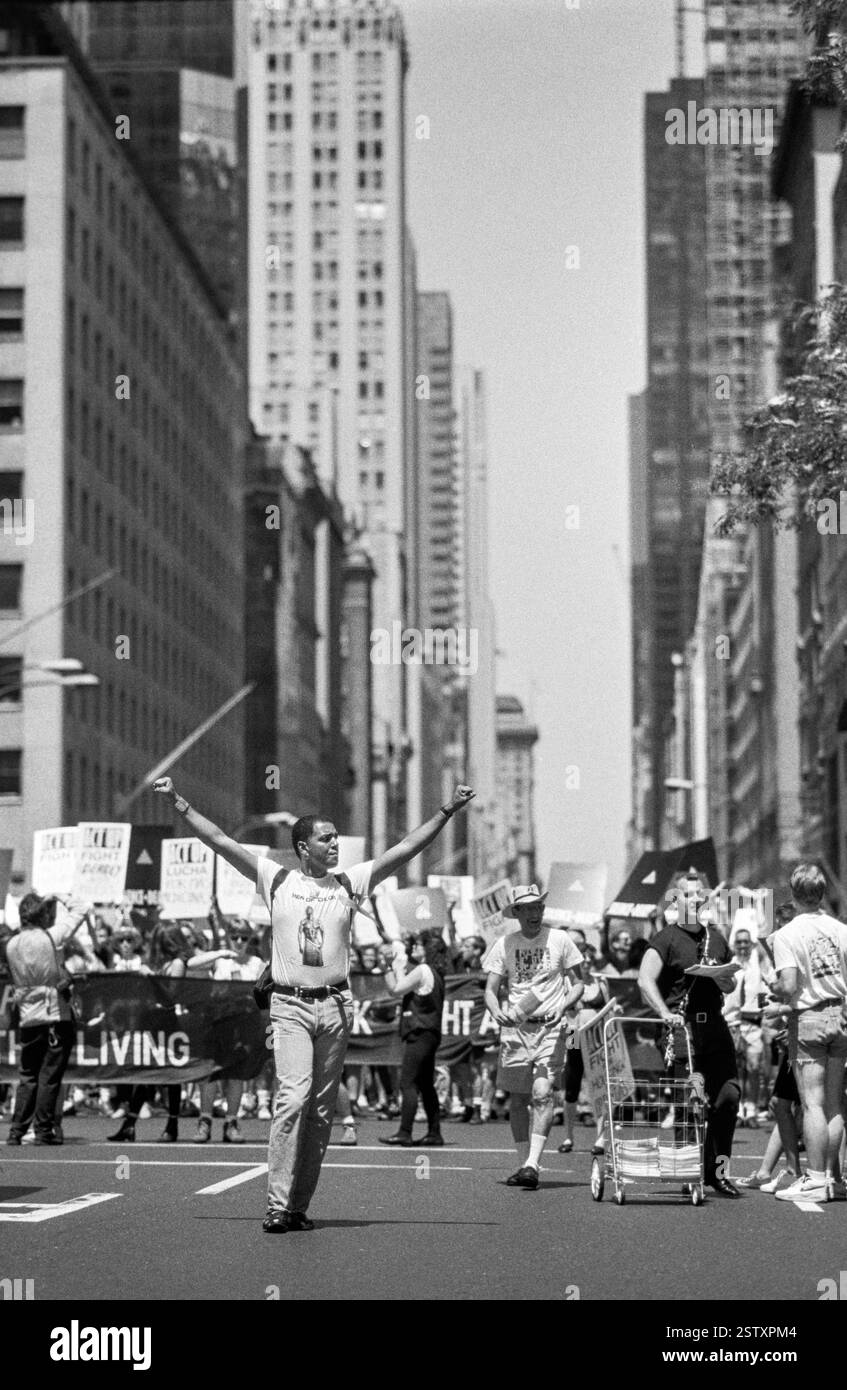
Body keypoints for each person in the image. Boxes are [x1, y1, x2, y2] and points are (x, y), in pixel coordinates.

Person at [153, 774, 475, 1234]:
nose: (334, 845)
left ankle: (298, 1207)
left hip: (336, 1008)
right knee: (293, 1098)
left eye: (336, 839)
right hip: (290, 1006)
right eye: (325, 839)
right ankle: (276, 1204)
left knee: (322, 1112)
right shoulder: (276, 878)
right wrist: (178, 802)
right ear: (303, 847)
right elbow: (222, 841)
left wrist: (448, 811)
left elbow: (403, 850)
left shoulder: (350, 882)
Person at [637, 870, 743, 1198]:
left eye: (700, 895)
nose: (695, 900)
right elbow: (644, 979)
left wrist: (726, 979)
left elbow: (730, 981)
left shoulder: (717, 937)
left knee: (729, 1098)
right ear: (676, 898)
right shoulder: (665, 939)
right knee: (687, 1103)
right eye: (688, 895)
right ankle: (686, 1170)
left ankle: (719, 1171)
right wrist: (664, 1013)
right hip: (682, 1028)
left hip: (715, 1025)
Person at [483, 885, 585, 1190]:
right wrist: (495, 1011)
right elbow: (490, 990)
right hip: (516, 1029)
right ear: (516, 913)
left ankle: (532, 1164)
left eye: (538, 907)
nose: (535, 913)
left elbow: (578, 983)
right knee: (518, 1098)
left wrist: (564, 1006)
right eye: (527, 908)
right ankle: (522, 1162)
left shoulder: (560, 939)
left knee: (542, 1092)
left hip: (550, 1028)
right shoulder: (505, 944)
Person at [770, 863, 847, 1203]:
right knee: (835, 1104)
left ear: (793, 893)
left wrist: (773, 986)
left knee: (812, 1104)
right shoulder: (841, 929)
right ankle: (833, 1177)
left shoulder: (787, 935)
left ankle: (815, 1178)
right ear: (822, 893)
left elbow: (787, 985)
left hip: (810, 1018)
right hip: (840, 1016)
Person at [6, 893, 93, 1145]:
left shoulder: (11, 944)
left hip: (28, 1015)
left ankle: (16, 1131)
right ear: (43, 914)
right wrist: (59, 896)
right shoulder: (51, 937)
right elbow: (82, 906)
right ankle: (44, 1129)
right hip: (54, 1012)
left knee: (28, 1075)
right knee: (50, 1074)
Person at [194, 923, 265, 1144]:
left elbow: (264, 993)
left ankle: (231, 1122)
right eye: (235, 937)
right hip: (217, 1022)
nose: (239, 942)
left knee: (236, 1074)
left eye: (244, 937)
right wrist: (221, 952)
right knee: (210, 1073)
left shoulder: (257, 963)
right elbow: (192, 964)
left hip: (244, 1024)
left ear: (250, 939)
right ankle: (204, 1121)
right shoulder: (220, 960)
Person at [378, 929, 448, 1147]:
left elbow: (396, 989)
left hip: (420, 1032)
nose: (414, 948)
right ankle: (434, 1132)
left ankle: (405, 1131)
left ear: (429, 949)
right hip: (428, 1032)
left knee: (408, 1082)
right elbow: (400, 986)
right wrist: (395, 967)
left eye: (419, 945)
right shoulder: (432, 972)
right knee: (426, 1084)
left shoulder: (423, 969)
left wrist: (389, 967)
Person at [723, 922, 773, 1127]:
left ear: (751, 944)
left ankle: (751, 1108)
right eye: (739, 942)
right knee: (735, 1068)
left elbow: (767, 988)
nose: (742, 945)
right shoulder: (730, 965)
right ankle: (738, 1110)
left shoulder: (758, 963)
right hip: (733, 1023)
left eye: (746, 942)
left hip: (753, 1022)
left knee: (753, 1067)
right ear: (734, 945)